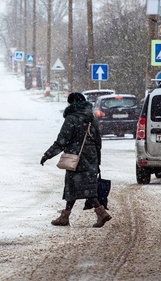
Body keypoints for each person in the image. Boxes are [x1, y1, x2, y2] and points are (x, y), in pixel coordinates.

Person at [40, 92, 111, 228]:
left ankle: (100, 213)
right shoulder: (91, 118)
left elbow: (61, 141)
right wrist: (97, 161)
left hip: (76, 156)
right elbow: (98, 141)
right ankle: (66, 216)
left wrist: (47, 155)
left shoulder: (72, 118)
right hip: (91, 156)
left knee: (77, 187)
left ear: (72, 103)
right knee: (83, 186)